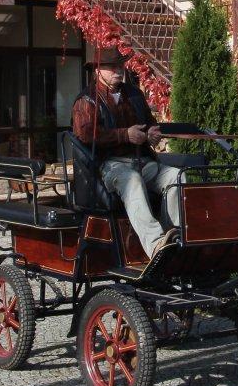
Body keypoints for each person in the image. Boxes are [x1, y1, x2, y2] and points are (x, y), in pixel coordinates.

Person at [70, 47, 182, 258]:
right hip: (110, 165)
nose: (118, 71)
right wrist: (125, 135)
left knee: (177, 176)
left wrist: (152, 132)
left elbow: (150, 123)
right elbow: (86, 135)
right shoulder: (86, 100)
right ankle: (157, 246)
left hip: (142, 161)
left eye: (120, 66)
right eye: (112, 67)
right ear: (97, 71)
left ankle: (174, 235)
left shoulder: (134, 94)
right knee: (133, 182)